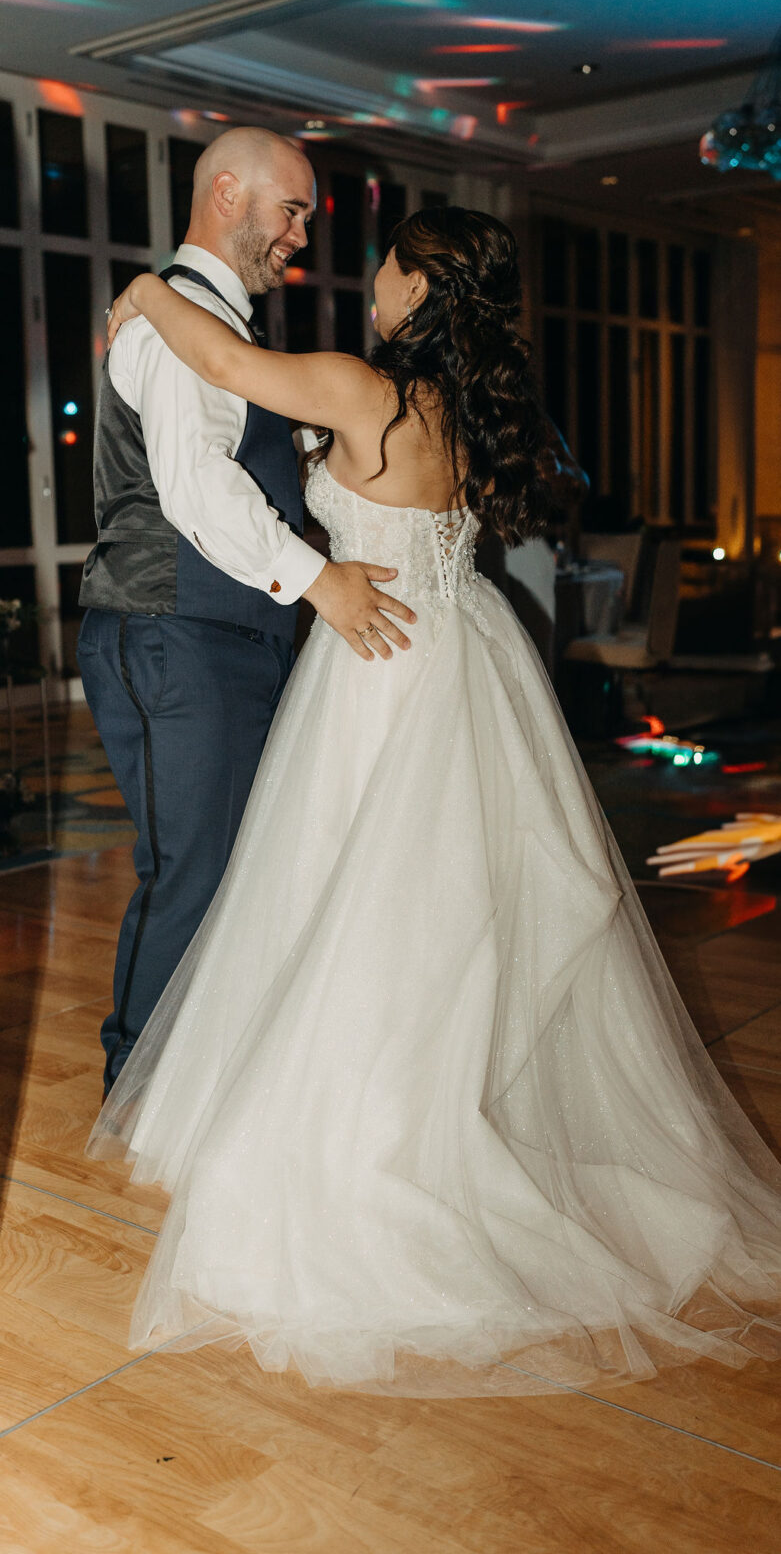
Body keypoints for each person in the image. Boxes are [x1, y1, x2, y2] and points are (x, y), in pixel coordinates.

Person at [89, 208, 781, 1398]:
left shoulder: (367, 389)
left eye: (390, 260)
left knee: (359, 905)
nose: (372, 273)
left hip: (381, 674)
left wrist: (147, 293)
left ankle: (373, 1136)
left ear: (418, 283)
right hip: (458, 658)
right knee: (432, 914)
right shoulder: (462, 409)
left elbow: (224, 364)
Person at [77, 127, 414, 1097]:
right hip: (174, 628)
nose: (301, 236)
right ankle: (139, 1085)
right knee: (194, 868)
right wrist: (321, 581)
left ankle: (196, 1072)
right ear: (228, 193)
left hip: (212, 633)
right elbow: (195, 491)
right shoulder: (179, 322)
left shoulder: (216, 331)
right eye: (292, 209)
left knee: (223, 865)